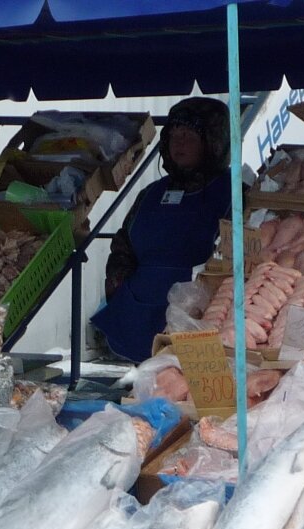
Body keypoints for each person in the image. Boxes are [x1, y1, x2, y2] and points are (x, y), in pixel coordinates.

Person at [91, 97, 232, 361]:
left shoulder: (234, 193)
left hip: (198, 321)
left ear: (213, 142)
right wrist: (118, 286)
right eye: (174, 135)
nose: (179, 143)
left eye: (189, 135)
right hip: (137, 317)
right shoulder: (151, 193)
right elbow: (123, 246)